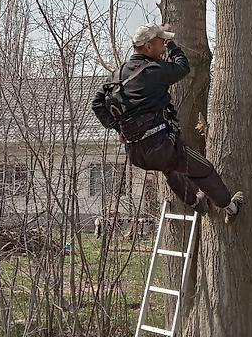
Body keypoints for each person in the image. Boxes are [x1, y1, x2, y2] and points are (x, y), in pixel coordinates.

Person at [92, 23, 243, 221]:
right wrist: (173, 46)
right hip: (161, 147)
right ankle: (230, 207)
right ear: (148, 46)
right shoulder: (154, 70)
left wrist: (117, 127)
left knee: (171, 169)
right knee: (203, 169)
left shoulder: (117, 75)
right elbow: (183, 67)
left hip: (136, 153)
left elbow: (97, 104)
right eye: (161, 42)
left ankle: (197, 203)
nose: (163, 46)